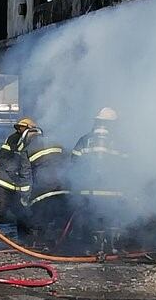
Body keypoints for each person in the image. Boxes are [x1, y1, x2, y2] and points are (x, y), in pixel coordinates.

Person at [71, 107, 128, 250]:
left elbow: (73, 164)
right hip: (112, 192)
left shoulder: (84, 140)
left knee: (92, 221)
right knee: (111, 220)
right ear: (112, 124)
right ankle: (112, 248)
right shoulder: (120, 142)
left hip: (88, 191)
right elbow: (127, 168)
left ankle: (93, 248)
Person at [0, 117, 41, 239]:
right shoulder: (22, 140)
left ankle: (25, 236)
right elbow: (24, 166)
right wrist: (26, 192)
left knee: (19, 210)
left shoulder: (14, 138)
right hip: (5, 180)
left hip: (9, 180)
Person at [26, 133, 71, 248]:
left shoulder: (28, 149)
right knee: (61, 218)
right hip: (63, 189)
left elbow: (25, 174)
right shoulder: (57, 142)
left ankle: (40, 242)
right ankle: (62, 241)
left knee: (40, 219)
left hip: (42, 192)